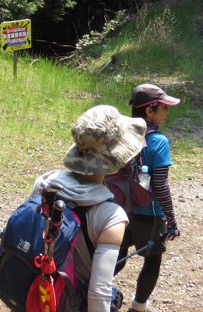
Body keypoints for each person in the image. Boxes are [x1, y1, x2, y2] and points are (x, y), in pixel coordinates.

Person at [30, 104, 147, 312]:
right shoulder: (111, 216)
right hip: (67, 303)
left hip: (35, 296)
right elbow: (98, 292)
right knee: (113, 297)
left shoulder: (45, 182)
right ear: (116, 160)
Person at [114, 83, 182, 312]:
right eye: (163, 107)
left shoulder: (121, 135)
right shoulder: (158, 142)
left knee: (116, 255)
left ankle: (85, 289)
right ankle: (138, 306)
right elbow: (160, 185)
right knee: (152, 261)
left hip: (119, 210)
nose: (167, 112)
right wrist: (171, 220)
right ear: (149, 111)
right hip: (149, 214)